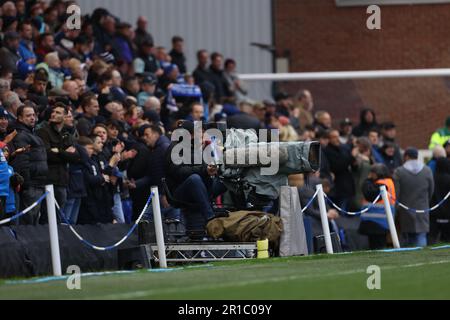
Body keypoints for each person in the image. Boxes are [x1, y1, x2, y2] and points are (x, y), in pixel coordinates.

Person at [164, 121, 227, 233]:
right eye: (198, 132)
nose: (201, 134)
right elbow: (178, 172)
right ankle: (210, 216)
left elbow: (203, 167)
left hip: (199, 186)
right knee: (194, 179)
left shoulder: (196, 147)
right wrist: (203, 170)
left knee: (226, 180)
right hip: (179, 190)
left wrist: (211, 169)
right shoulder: (174, 148)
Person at [36, 103, 80, 211]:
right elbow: (48, 155)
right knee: (47, 216)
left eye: (58, 112)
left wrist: (59, 151)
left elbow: (76, 157)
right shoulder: (43, 131)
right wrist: (65, 153)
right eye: (53, 112)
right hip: (48, 181)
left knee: (59, 216)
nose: (53, 114)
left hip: (63, 180)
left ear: (65, 117)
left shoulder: (66, 135)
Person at [9, 104, 48, 225]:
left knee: (34, 219)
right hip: (31, 184)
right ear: (20, 118)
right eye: (28, 115)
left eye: (33, 115)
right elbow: (22, 161)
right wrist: (27, 182)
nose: (32, 118)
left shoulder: (32, 134)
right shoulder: (21, 136)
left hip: (38, 183)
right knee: (28, 221)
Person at [394, 147, 434, 247]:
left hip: (405, 209)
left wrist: (397, 208)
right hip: (422, 208)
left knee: (406, 237)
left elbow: (396, 193)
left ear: (406, 157)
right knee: (421, 236)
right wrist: (425, 202)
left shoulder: (399, 172)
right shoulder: (427, 170)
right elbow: (431, 190)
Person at [359, 164, 396, 250]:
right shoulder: (388, 182)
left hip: (377, 222)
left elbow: (369, 194)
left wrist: (367, 180)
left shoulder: (382, 184)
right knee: (379, 246)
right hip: (381, 221)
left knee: (377, 248)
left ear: (376, 173)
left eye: (371, 173)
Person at [324, 130, 355, 211]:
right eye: (334, 137)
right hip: (338, 187)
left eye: (338, 136)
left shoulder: (343, 148)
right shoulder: (327, 151)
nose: (337, 139)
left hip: (348, 185)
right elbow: (337, 166)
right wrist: (352, 157)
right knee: (340, 210)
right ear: (329, 139)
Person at [429, 157, 450, 244]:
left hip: (434, 212)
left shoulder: (432, 178)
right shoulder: (448, 178)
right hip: (448, 212)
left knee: (433, 238)